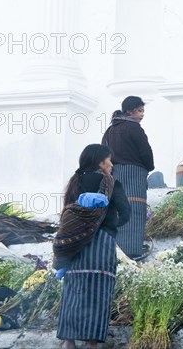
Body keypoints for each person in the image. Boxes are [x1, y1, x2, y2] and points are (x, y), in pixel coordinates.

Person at [57, 144, 130, 349]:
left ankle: (68, 341)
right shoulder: (111, 183)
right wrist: (109, 225)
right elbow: (125, 213)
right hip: (102, 243)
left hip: (76, 243)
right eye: (109, 160)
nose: (111, 164)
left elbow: (67, 215)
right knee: (98, 292)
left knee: (73, 290)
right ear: (100, 162)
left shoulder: (75, 182)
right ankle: (91, 344)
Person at [101, 96, 154, 260]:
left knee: (118, 210)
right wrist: (149, 166)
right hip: (135, 174)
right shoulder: (134, 128)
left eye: (143, 111)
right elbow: (145, 151)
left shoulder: (110, 131)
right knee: (135, 212)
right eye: (139, 111)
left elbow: (103, 153)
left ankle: (117, 252)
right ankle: (132, 251)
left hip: (115, 175)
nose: (142, 114)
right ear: (130, 111)